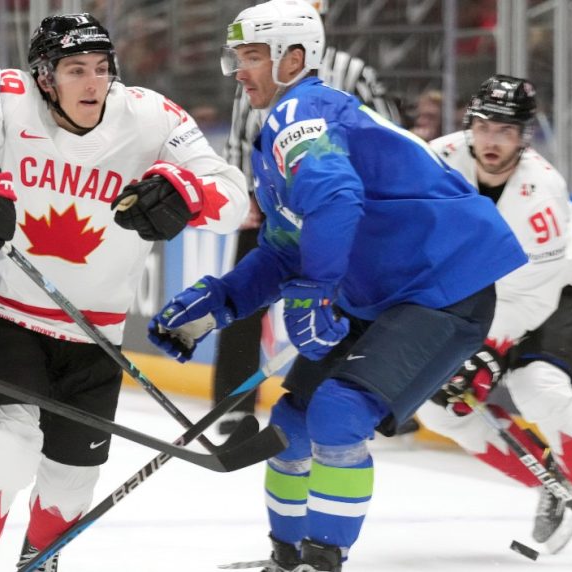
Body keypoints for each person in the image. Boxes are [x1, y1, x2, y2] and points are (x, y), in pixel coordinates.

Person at [146, 1, 527, 570]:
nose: (238, 71)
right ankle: (288, 557)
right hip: (384, 292)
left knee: (340, 412)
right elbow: (283, 246)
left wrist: (316, 291)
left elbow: (335, 199)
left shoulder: (306, 112)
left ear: (294, 58)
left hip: (443, 286)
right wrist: (221, 302)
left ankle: (324, 562)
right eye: (238, 57)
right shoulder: (279, 131)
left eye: (250, 56)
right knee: (292, 423)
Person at [0, 13, 250, 571]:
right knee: (7, 453)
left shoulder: (151, 116)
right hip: (5, 312)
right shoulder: (9, 95)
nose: (93, 82)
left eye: (102, 69)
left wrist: (186, 191)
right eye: (76, 70)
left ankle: (40, 564)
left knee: (71, 488)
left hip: (96, 335)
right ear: (45, 77)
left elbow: (233, 197)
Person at [416, 74, 572, 554]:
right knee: (440, 410)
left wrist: (487, 352)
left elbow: (528, 301)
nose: (492, 141)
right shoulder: (436, 161)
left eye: (506, 131)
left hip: (559, 286)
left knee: (537, 386)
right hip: (486, 289)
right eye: (484, 127)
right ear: (468, 126)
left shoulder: (541, 195)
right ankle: (552, 480)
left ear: (524, 135)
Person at [215, 20, 404, 437]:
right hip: (272, 206)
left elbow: (386, 134)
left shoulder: (352, 72)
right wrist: (241, 189)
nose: (243, 68)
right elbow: (239, 137)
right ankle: (233, 402)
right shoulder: (258, 69)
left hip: (333, 206)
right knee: (246, 299)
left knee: (349, 303)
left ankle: (374, 395)